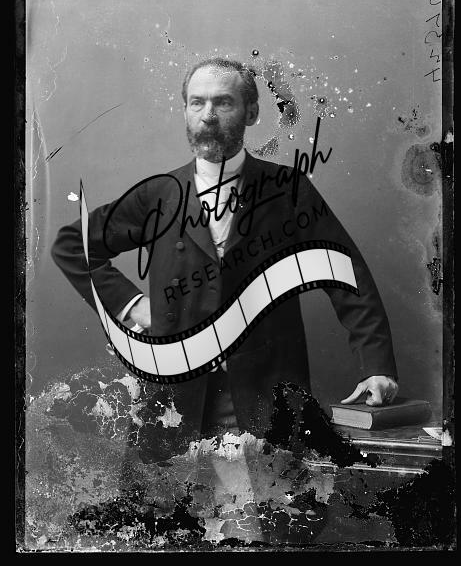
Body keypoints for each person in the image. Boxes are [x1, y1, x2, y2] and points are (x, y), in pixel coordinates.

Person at [51, 57, 398, 441]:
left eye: (224, 102)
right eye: (197, 102)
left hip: (268, 399)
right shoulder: (158, 196)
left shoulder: (288, 190)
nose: (208, 115)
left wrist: (376, 367)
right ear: (185, 111)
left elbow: (346, 273)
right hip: (174, 403)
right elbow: (71, 245)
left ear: (251, 112)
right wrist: (132, 306)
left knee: (275, 481)